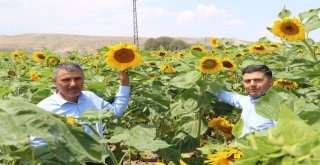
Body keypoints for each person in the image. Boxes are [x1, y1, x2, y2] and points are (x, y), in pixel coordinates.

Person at [31, 62, 130, 146]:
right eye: (66, 80)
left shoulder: (91, 97)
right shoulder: (44, 108)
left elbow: (115, 112)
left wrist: (124, 84)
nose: (73, 84)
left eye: (78, 79)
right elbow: (38, 144)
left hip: (98, 158)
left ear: (83, 79)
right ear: (55, 82)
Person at [214, 64, 275, 137]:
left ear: (271, 82)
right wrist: (207, 85)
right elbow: (229, 97)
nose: (252, 84)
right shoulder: (248, 101)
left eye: (258, 80)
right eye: (247, 81)